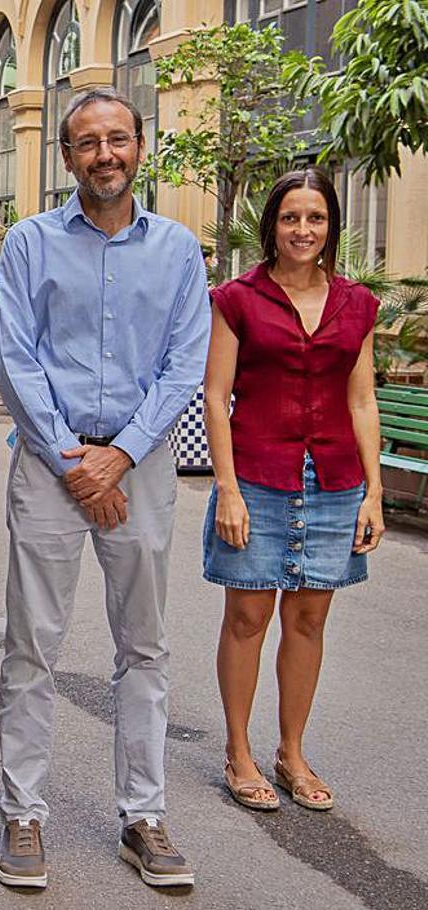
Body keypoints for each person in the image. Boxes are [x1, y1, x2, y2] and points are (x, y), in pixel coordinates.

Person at [0, 88, 209, 890]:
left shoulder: (180, 249)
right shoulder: (28, 243)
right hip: (52, 467)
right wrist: (74, 460)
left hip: (140, 467)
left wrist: (118, 457)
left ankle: (144, 816)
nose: (105, 154)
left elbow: (185, 363)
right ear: (67, 156)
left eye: (118, 139)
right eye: (88, 142)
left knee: (144, 646)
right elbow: (16, 360)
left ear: (140, 146)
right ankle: (23, 812)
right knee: (32, 646)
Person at [204, 168, 383, 814]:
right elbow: (216, 395)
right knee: (248, 616)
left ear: (330, 225)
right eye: (290, 218)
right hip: (256, 475)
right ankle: (238, 752)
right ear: (271, 227)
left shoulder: (356, 303)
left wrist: (374, 493)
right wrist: (227, 489)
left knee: (308, 618)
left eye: (315, 218)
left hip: (336, 480)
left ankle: (291, 752)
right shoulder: (237, 298)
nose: (302, 230)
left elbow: (361, 399)